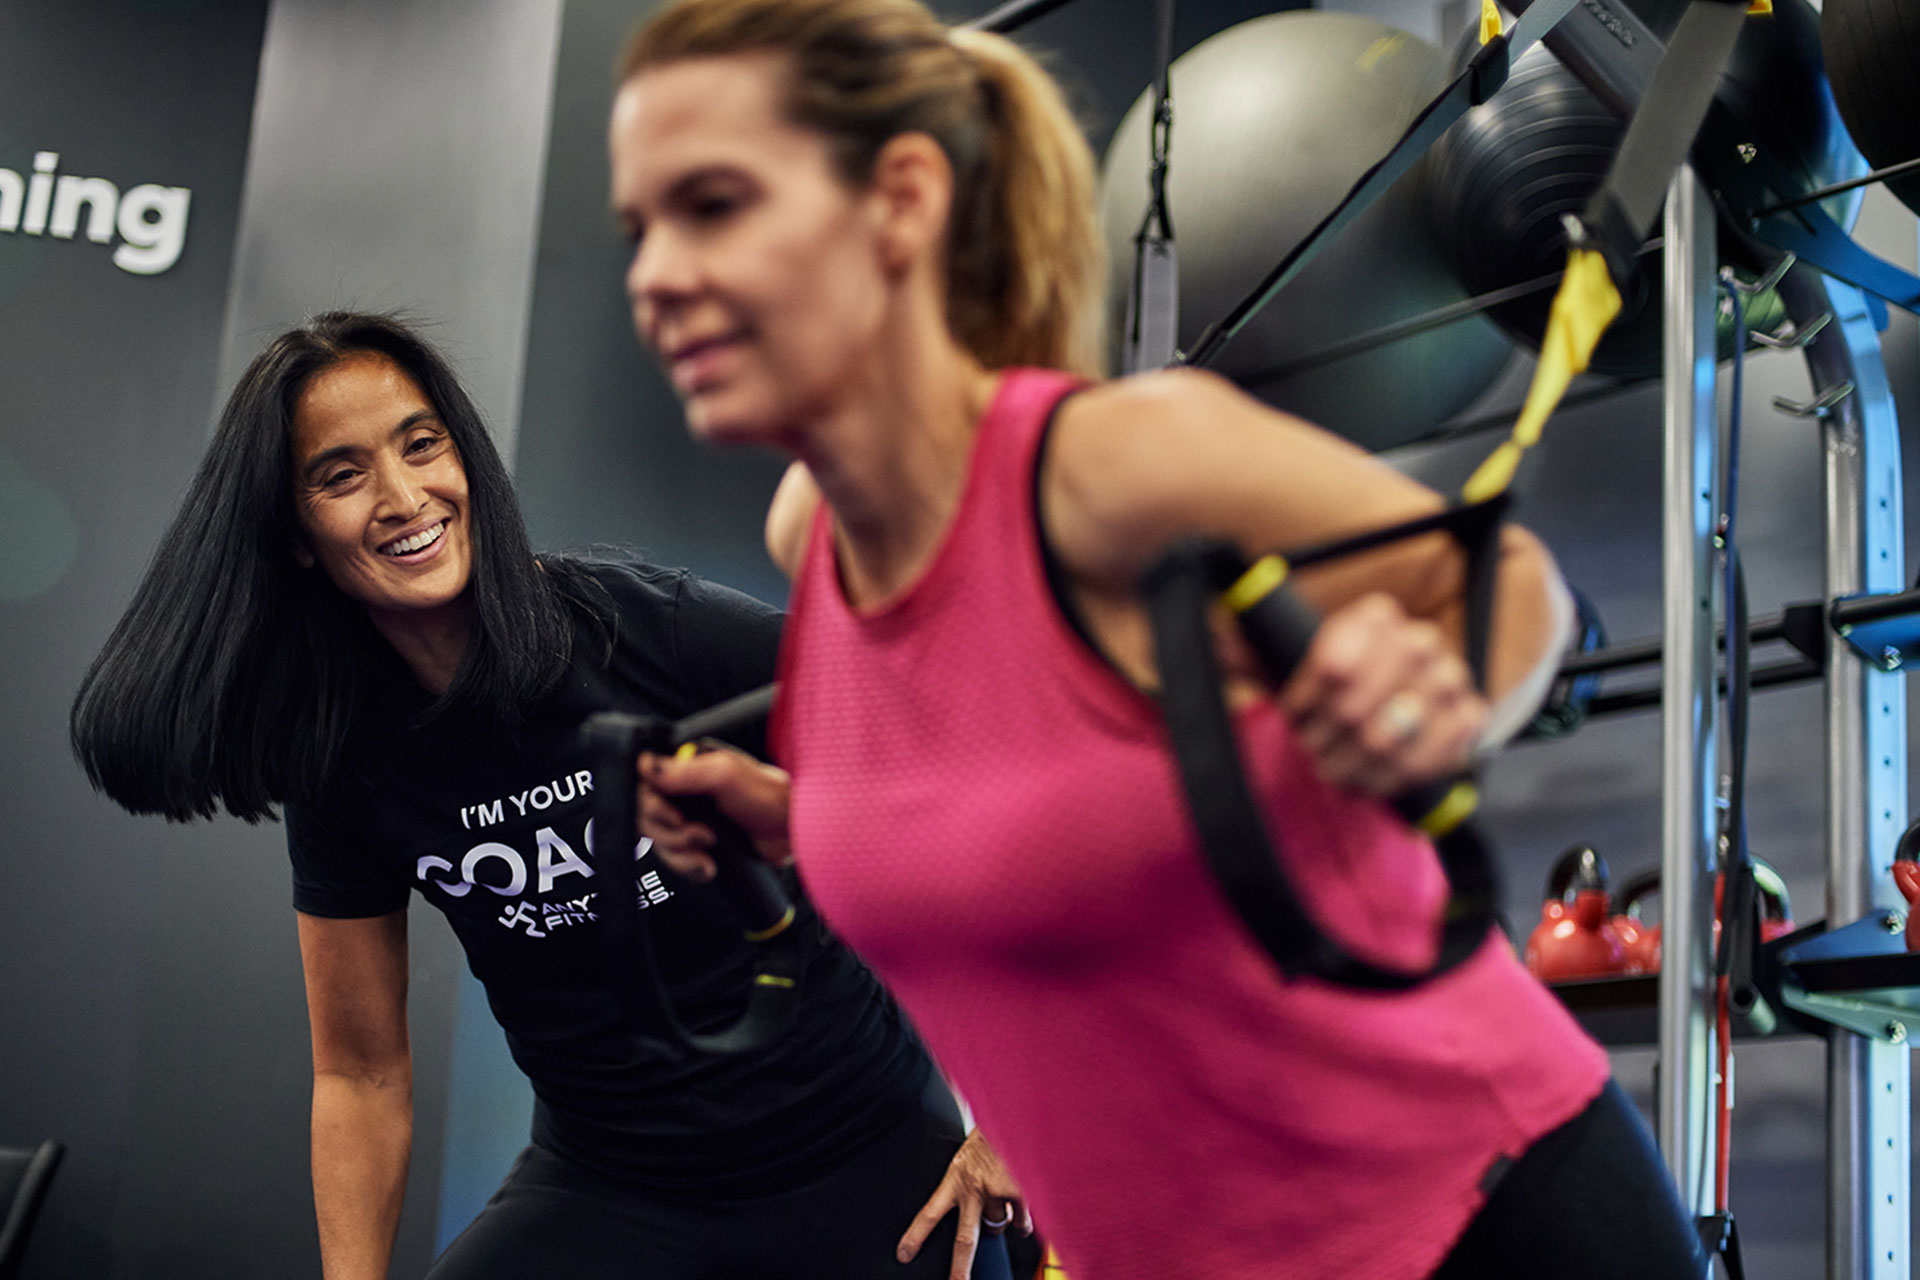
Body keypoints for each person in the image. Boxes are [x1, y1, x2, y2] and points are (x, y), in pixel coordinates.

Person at [609, 3, 1711, 1277]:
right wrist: (790, 818)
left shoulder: (1112, 464)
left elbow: (1511, 581)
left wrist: (1438, 700)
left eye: (715, 207)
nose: (655, 277)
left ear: (901, 202)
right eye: (641, 229)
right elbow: (1042, 816)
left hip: (1478, 1216)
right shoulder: (817, 538)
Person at [69, 310, 1022, 1280]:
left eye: (421, 443)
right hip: (611, 1187)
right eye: (341, 474)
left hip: (858, 1158)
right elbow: (360, 1073)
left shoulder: (650, 628)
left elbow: (971, 771)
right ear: (299, 535)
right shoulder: (344, 756)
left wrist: (1020, 1113)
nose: (404, 495)